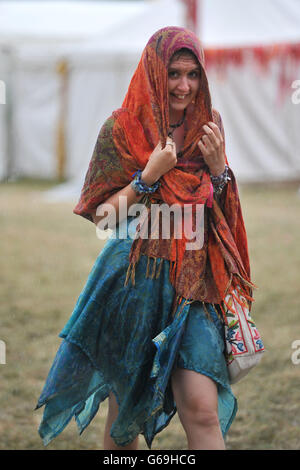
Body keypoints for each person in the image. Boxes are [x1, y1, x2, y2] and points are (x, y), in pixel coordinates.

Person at [35, 26, 256, 451]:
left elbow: (224, 212)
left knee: (203, 411)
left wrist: (218, 171)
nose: (184, 86)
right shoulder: (122, 128)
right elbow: (101, 215)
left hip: (195, 286)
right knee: (125, 422)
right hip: (135, 282)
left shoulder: (208, 124)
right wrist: (148, 177)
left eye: (193, 75)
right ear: (155, 70)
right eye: (175, 73)